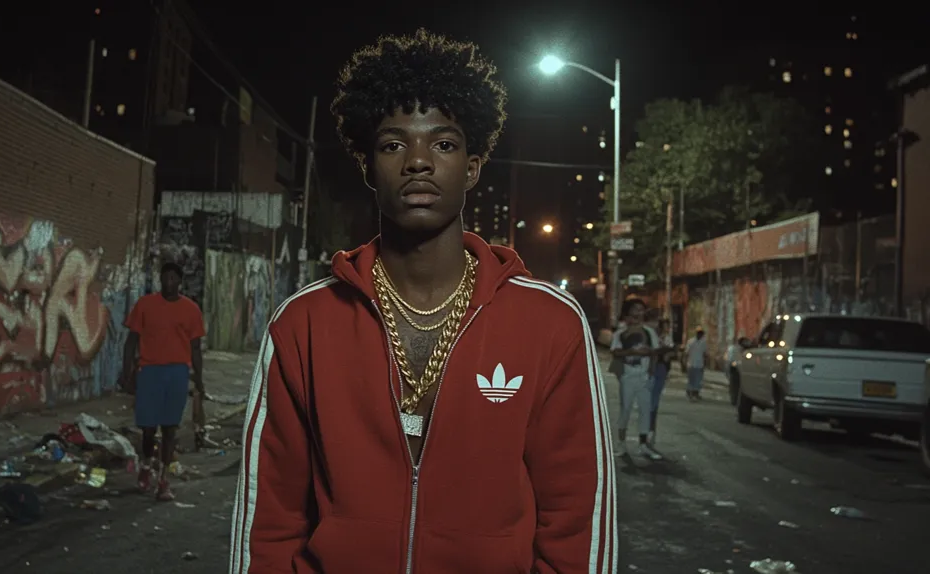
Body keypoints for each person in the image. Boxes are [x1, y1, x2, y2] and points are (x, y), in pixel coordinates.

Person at [229, 29, 617, 574]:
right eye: (392, 144)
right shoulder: (304, 324)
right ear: (368, 168)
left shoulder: (549, 323)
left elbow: (576, 520)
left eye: (443, 143)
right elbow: (268, 521)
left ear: (473, 167)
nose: (417, 161)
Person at [121, 262, 205, 501]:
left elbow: (196, 348)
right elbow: (131, 342)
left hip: (177, 373)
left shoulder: (191, 310)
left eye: (173, 279)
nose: (169, 283)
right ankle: (146, 466)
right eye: (165, 278)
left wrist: (198, 379)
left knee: (170, 429)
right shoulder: (145, 305)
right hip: (149, 372)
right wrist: (127, 373)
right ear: (160, 280)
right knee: (148, 428)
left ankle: (163, 480)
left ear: (180, 282)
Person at [610, 298, 663, 460]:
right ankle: (621, 444)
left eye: (641, 310)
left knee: (645, 410)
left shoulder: (649, 332)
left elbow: (655, 353)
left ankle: (643, 445)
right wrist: (634, 353)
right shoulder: (621, 333)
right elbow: (615, 351)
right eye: (635, 309)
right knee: (625, 409)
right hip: (627, 375)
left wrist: (651, 374)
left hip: (644, 376)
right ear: (628, 312)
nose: (638, 313)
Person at [649, 319, 676, 445]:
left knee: (654, 402)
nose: (666, 329)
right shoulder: (654, 337)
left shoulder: (667, 338)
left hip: (661, 369)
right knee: (649, 402)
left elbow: (670, 351)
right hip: (652, 369)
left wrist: (666, 352)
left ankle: (651, 431)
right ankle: (648, 431)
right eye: (665, 326)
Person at [685, 327, 707, 400]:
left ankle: (695, 393)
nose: (700, 335)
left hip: (699, 363)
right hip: (691, 363)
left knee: (698, 379)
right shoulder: (691, 342)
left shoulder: (703, 343)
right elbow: (687, 352)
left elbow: (704, 353)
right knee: (692, 379)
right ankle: (690, 392)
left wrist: (704, 363)